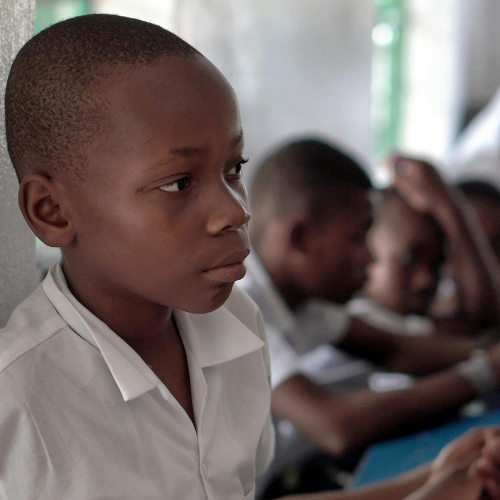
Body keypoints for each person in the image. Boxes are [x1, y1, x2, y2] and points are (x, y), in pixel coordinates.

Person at [1, 14, 274, 499]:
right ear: (52, 212)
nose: (235, 212)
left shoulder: (240, 324)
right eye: (179, 183)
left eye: (234, 169)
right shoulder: (15, 404)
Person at [243, 138, 500, 463]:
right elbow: (334, 426)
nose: (371, 257)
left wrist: (487, 351)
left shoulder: (307, 304)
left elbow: (396, 349)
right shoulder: (239, 304)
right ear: (302, 239)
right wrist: (484, 372)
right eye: (358, 239)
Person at [361, 158, 500, 336]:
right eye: (409, 260)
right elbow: (481, 319)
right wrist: (446, 206)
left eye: (436, 265)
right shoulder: (356, 323)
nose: (426, 280)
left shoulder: (414, 327)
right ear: (364, 251)